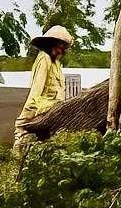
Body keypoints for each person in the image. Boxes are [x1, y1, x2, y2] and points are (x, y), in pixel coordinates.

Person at [12, 25, 74, 157]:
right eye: (59, 45)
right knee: (22, 138)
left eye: (63, 46)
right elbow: (36, 91)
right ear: (50, 43)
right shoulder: (44, 59)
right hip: (41, 108)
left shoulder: (56, 64)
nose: (62, 49)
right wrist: (24, 120)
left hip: (56, 110)